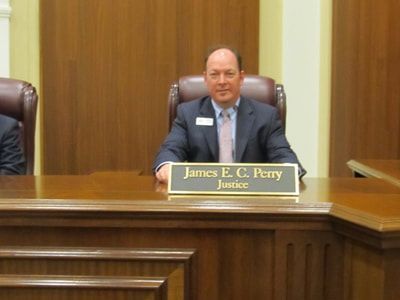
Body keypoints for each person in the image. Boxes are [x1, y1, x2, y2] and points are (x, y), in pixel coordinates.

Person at [153, 45, 306, 183]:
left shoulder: (266, 116)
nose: (222, 81)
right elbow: (171, 150)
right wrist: (167, 166)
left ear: (241, 78)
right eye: (214, 75)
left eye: (229, 74)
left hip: (251, 202)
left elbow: (282, 154)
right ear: (205, 79)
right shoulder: (188, 113)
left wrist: (289, 170)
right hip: (201, 200)